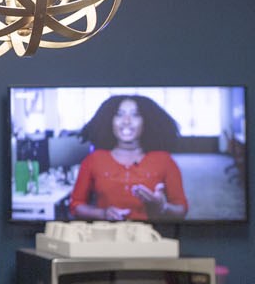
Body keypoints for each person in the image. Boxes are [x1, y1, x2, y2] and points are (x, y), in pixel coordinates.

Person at [68, 94, 190, 222]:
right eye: (119, 114)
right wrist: (103, 214)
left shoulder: (165, 160)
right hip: (106, 236)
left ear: (146, 121)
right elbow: (75, 206)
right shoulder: (93, 160)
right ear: (110, 120)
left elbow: (181, 210)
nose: (126, 121)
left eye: (135, 115)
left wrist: (162, 207)